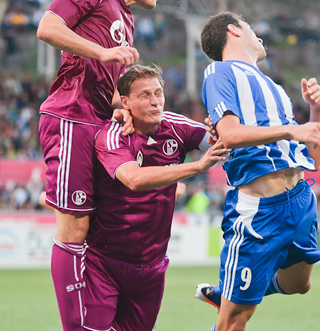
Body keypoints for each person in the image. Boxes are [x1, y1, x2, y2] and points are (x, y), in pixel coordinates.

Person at [36, 0, 162, 330]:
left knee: (91, 227)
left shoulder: (126, 18)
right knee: (73, 226)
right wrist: (104, 52)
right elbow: (48, 28)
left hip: (96, 121)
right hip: (71, 115)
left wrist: (119, 106)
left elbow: (103, 81)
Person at [196, 12, 320, 331]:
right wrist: (291, 130)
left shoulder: (274, 88)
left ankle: (230, 292)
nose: (259, 35)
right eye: (251, 27)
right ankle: (233, 297)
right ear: (233, 30)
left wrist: (317, 112)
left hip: (299, 200)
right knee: (234, 321)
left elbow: (315, 159)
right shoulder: (219, 72)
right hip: (260, 213)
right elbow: (229, 134)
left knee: (300, 284)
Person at [83, 64, 229, 331]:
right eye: (144, 95)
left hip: (151, 267)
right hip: (104, 263)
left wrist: (223, 129)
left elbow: (222, 145)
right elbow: (134, 179)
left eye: (158, 93)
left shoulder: (176, 125)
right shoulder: (112, 133)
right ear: (125, 102)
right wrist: (195, 167)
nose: (154, 102)